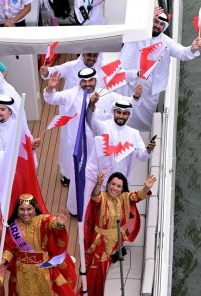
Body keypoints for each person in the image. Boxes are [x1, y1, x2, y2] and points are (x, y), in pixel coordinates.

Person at [43, 67, 142, 215]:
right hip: (79, 146)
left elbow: (128, 103)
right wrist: (50, 88)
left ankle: (99, 209)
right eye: (84, 81)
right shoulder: (71, 94)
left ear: (95, 80)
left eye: (90, 80)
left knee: (100, 178)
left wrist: (135, 96)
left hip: (100, 148)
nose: (87, 84)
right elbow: (51, 98)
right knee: (78, 176)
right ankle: (75, 209)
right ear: (80, 82)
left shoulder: (106, 95)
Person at [117, 7, 201, 131]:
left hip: (150, 90)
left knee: (145, 121)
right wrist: (148, 15)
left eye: (162, 24)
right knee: (122, 110)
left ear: (164, 27)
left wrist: (193, 48)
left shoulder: (166, 42)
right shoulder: (136, 33)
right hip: (128, 83)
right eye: (156, 22)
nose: (158, 26)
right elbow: (132, 18)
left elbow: (183, 53)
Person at [0, 194, 81, 296]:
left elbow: (53, 223)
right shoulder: (13, 226)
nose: (25, 213)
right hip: (22, 273)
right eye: (22, 209)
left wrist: (60, 224)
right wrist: (4, 260)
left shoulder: (43, 220)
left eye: (29, 209)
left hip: (43, 271)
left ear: (34, 208)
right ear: (17, 210)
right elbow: (10, 248)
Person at [84, 171, 157, 296]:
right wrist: (98, 183)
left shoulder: (124, 197)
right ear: (108, 184)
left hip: (116, 240)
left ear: (122, 188)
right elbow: (95, 196)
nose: (115, 188)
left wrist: (147, 188)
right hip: (100, 240)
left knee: (107, 267)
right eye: (113, 184)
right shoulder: (102, 197)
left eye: (118, 186)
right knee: (97, 268)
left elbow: (137, 196)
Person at [39, 53, 103, 91]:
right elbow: (55, 71)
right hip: (70, 110)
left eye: (95, 56)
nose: (92, 58)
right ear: (83, 55)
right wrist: (46, 72)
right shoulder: (71, 66)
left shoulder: (99, 69)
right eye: (89, 55)